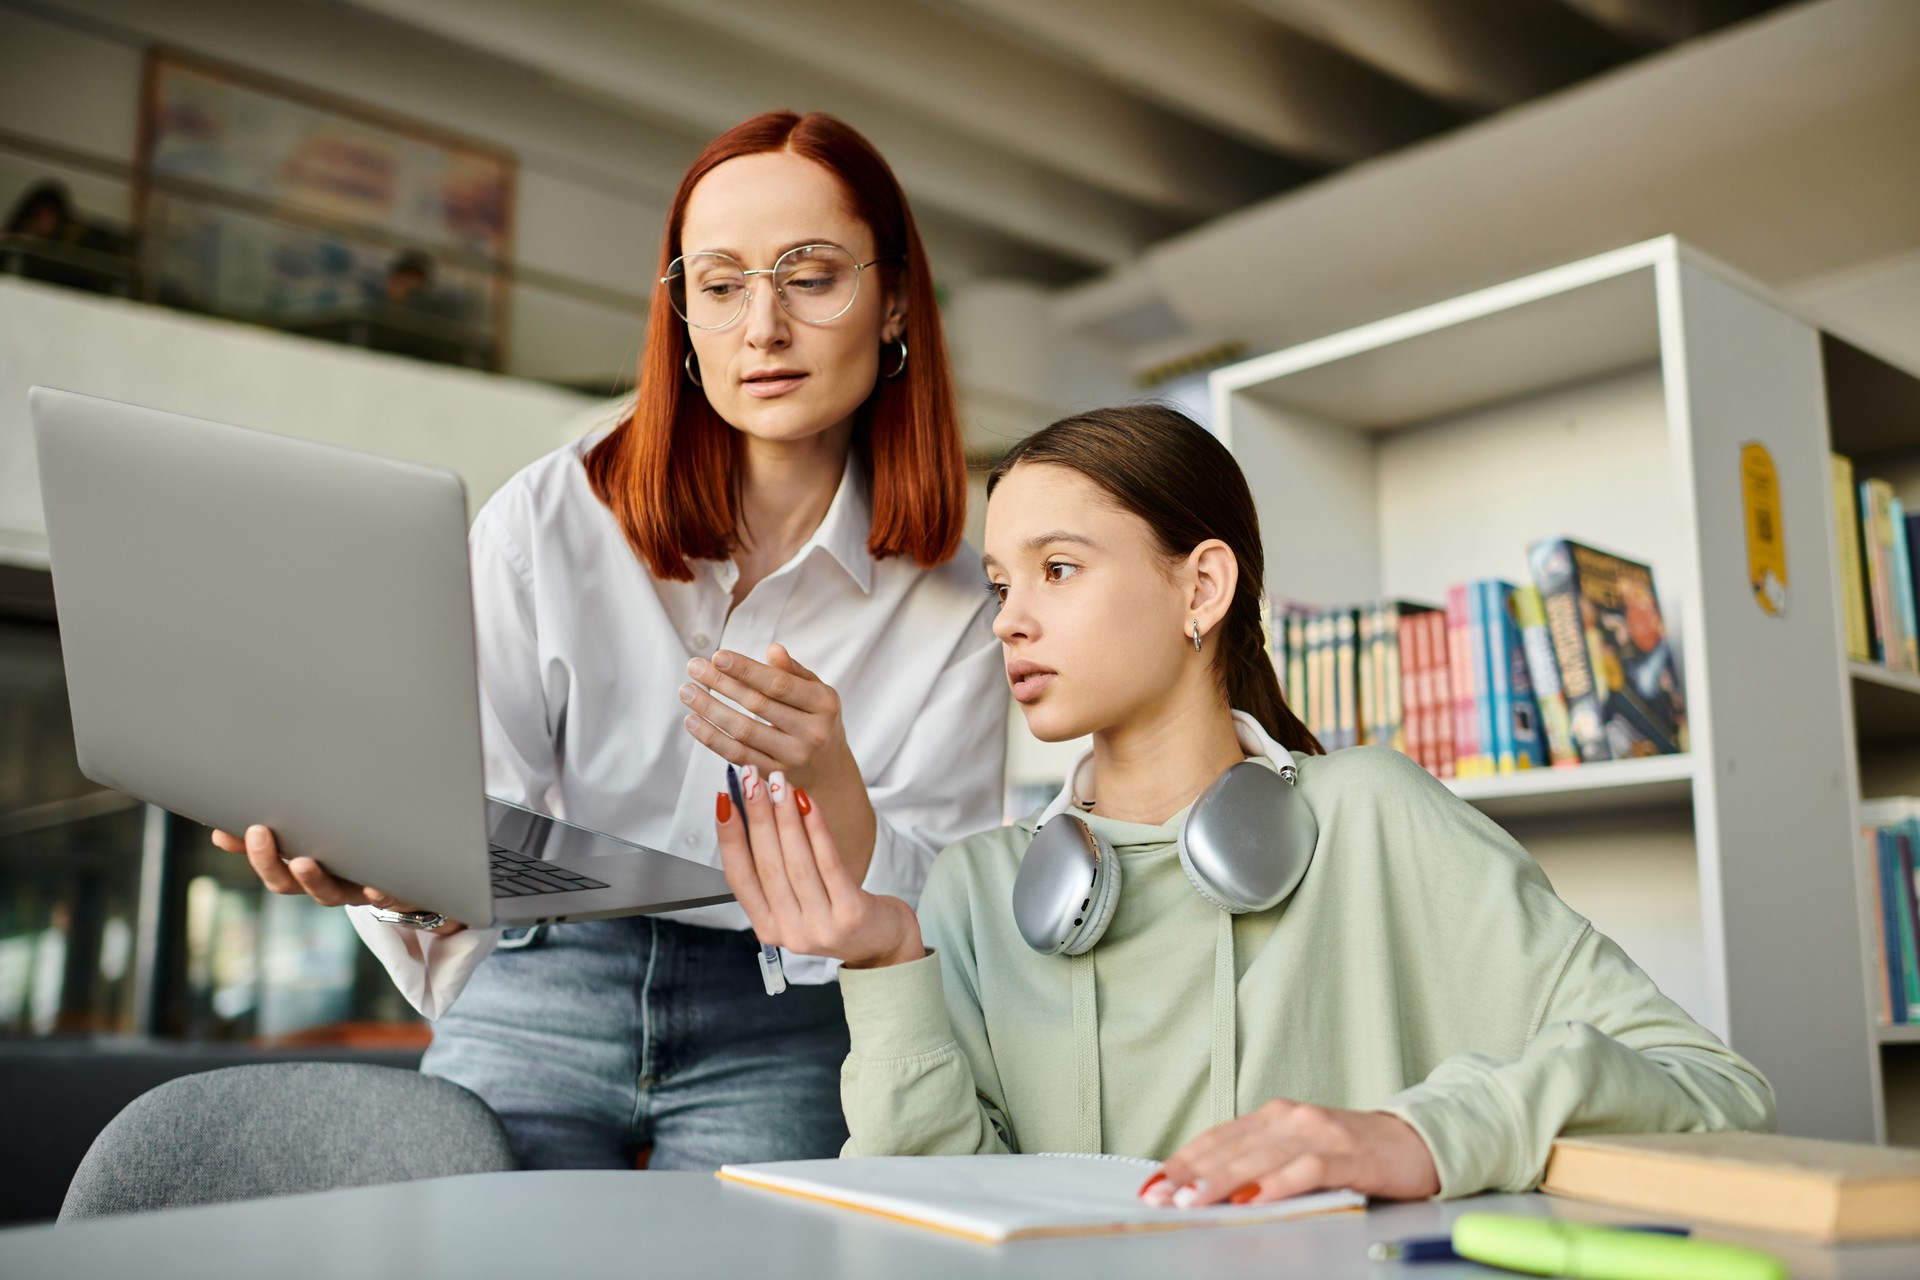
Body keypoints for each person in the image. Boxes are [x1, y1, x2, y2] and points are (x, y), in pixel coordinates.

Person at [714, 403, 1775, 1205]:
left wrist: (1417, 1134)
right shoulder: (975, 888)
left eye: (1060, 568)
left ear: (1202, 589)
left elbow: (1714, 1085)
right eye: (1001, 583)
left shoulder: (1371, 816)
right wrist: (888, 964)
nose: (1011, 621)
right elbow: (936, 1214)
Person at [212, 111, 1007, 1170]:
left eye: (810, 276)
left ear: (897, 296)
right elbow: (462, 801)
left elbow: (948, 909)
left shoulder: (956, 594)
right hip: (551, 973)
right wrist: (379, 863)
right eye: (720, 285)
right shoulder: (557, 513)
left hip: (783, 1008)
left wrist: (842, 801)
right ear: (681, 318)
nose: (761, 326)